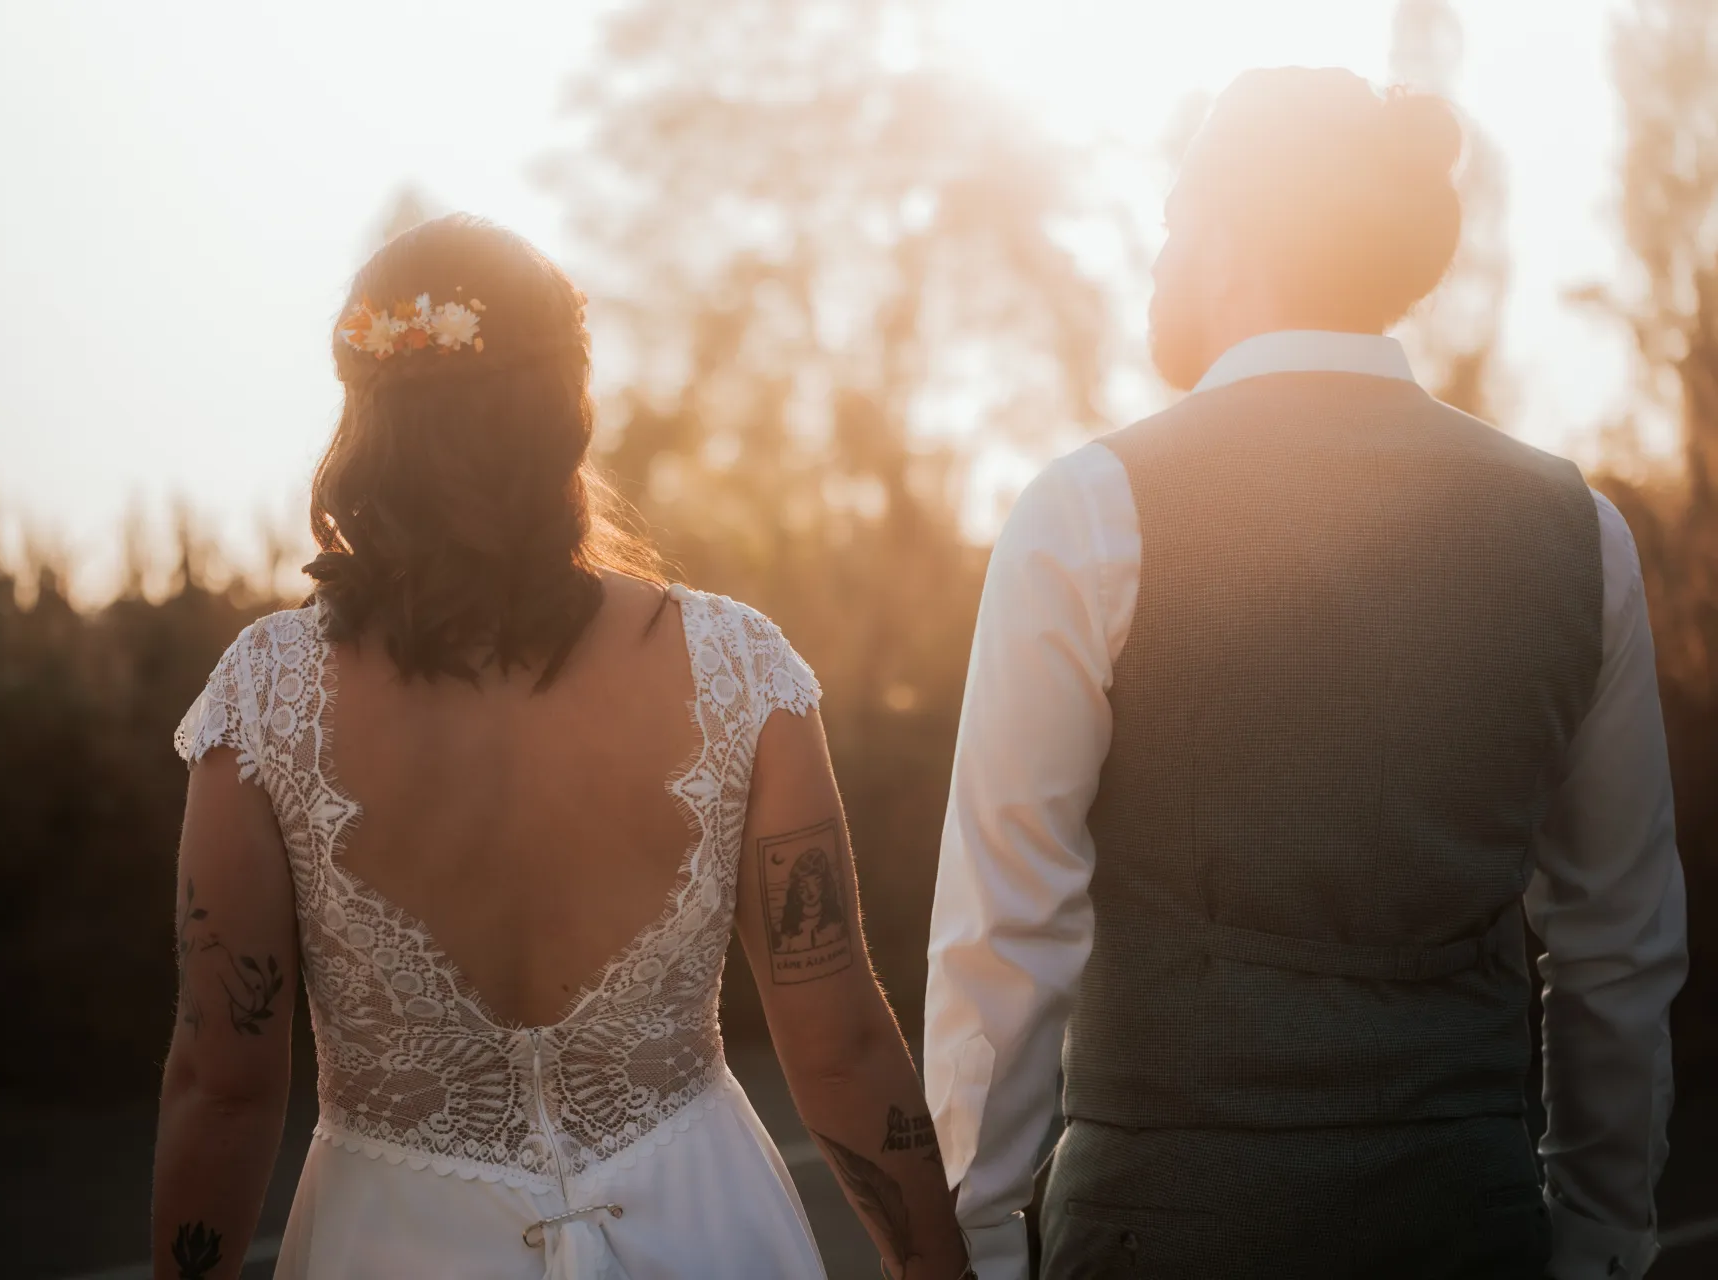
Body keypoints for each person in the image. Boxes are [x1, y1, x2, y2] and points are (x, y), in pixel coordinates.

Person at [925, 67, 1688, 1280]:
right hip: (1470, 1216)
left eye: (1173, 223)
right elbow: (1620, 935)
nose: (1158, 262)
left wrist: (972, 1238)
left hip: (1164, 1225)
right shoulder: (1576, 529)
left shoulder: (1089, 511)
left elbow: (1004, 928)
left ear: (1231, 239)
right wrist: (1597, 1233)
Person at [150, 215, 969, 1280]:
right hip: (709, 1232)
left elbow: (222, 1079)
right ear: (567, 409)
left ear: (366, 417)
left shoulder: (264, 698)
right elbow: (842, 1034)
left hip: (393, 1244)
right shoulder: (738, 668)